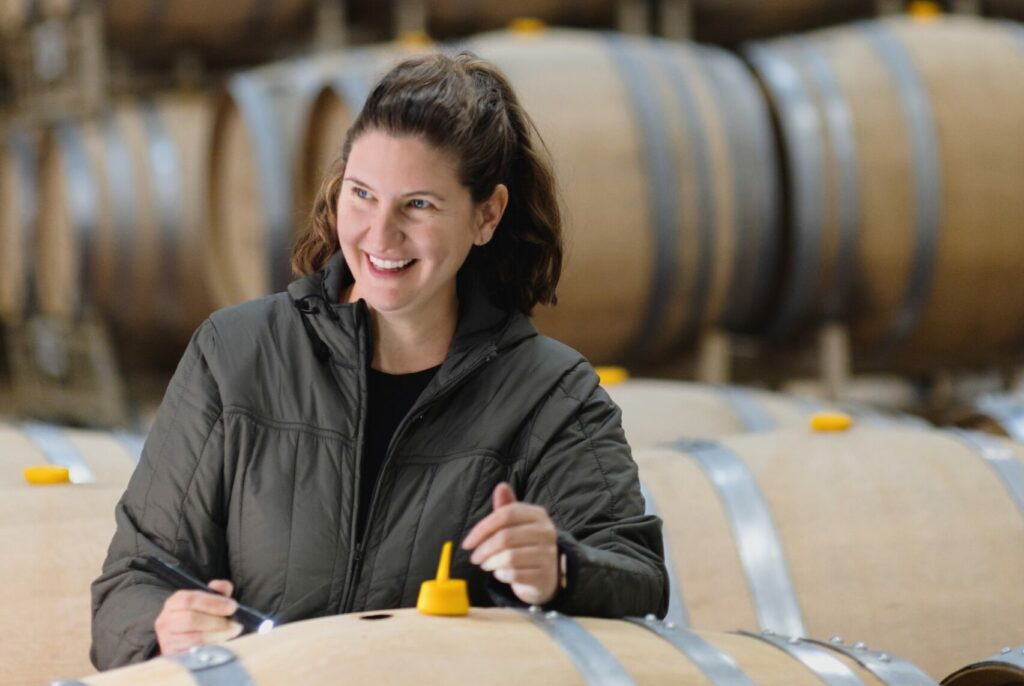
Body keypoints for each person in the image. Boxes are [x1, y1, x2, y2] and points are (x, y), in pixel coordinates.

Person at [90, 51, 668, 669]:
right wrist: (164, 627)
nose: (379, 235)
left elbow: (639, 576)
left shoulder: (549, 393)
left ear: (487, 215)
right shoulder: (235, 354)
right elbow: (130, 584)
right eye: (362, 195)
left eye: (418, 205)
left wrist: (560, 568)